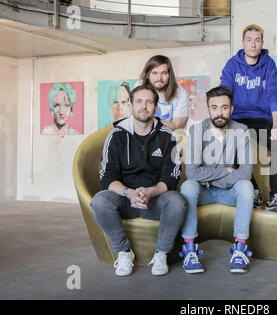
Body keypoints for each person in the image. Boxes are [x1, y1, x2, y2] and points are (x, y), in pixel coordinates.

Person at [90, 84, 187, 277]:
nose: (144, 106)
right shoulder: (115, 135)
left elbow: (171, 178)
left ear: (156, 108)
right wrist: (129, 193)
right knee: (100, 201)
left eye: (149, 102)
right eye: (139, 102)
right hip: (125, 199)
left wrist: (149, 192)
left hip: (155, 200)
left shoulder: (170, 137)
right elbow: (107, 177)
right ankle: (124, 252)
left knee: (177, 201)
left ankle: (161, 253)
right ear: (131, 106)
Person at [180, 86, 254, 274]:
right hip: (204, 192)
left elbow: (245, 173)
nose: (219, 113)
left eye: (224, 107)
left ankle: (239, 249)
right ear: (208, 108)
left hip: (228, 193)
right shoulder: (197, 130)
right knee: (188, 186)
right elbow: (192, 173)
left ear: (231, 109)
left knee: (246, 186)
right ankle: (189, 250)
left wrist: (214, 177)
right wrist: (225, 171)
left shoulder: (241, 130)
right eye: (214, 107)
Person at [220, 24, 277, 213]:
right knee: (231, 143)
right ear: (243, 43)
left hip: (261, 118)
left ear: (262, 43)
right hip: (238, 117)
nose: (253, 44)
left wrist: (276, 125)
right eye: (249, 40)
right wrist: (224, 123)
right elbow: (224, 94)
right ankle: (254, 191)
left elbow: (274, 95)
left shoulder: (269, 64)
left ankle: (276, 196)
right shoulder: (232, 65)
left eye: (257, 40)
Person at [135, 55, 190, 131]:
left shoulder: (180, 93)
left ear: (169, 75)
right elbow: (135, 117)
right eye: (155, 73)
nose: (159, 78)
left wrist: (147, 121)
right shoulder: (139, 86)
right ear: (147, 75)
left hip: (168, 139)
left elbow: (177, 128)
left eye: (164, 73)